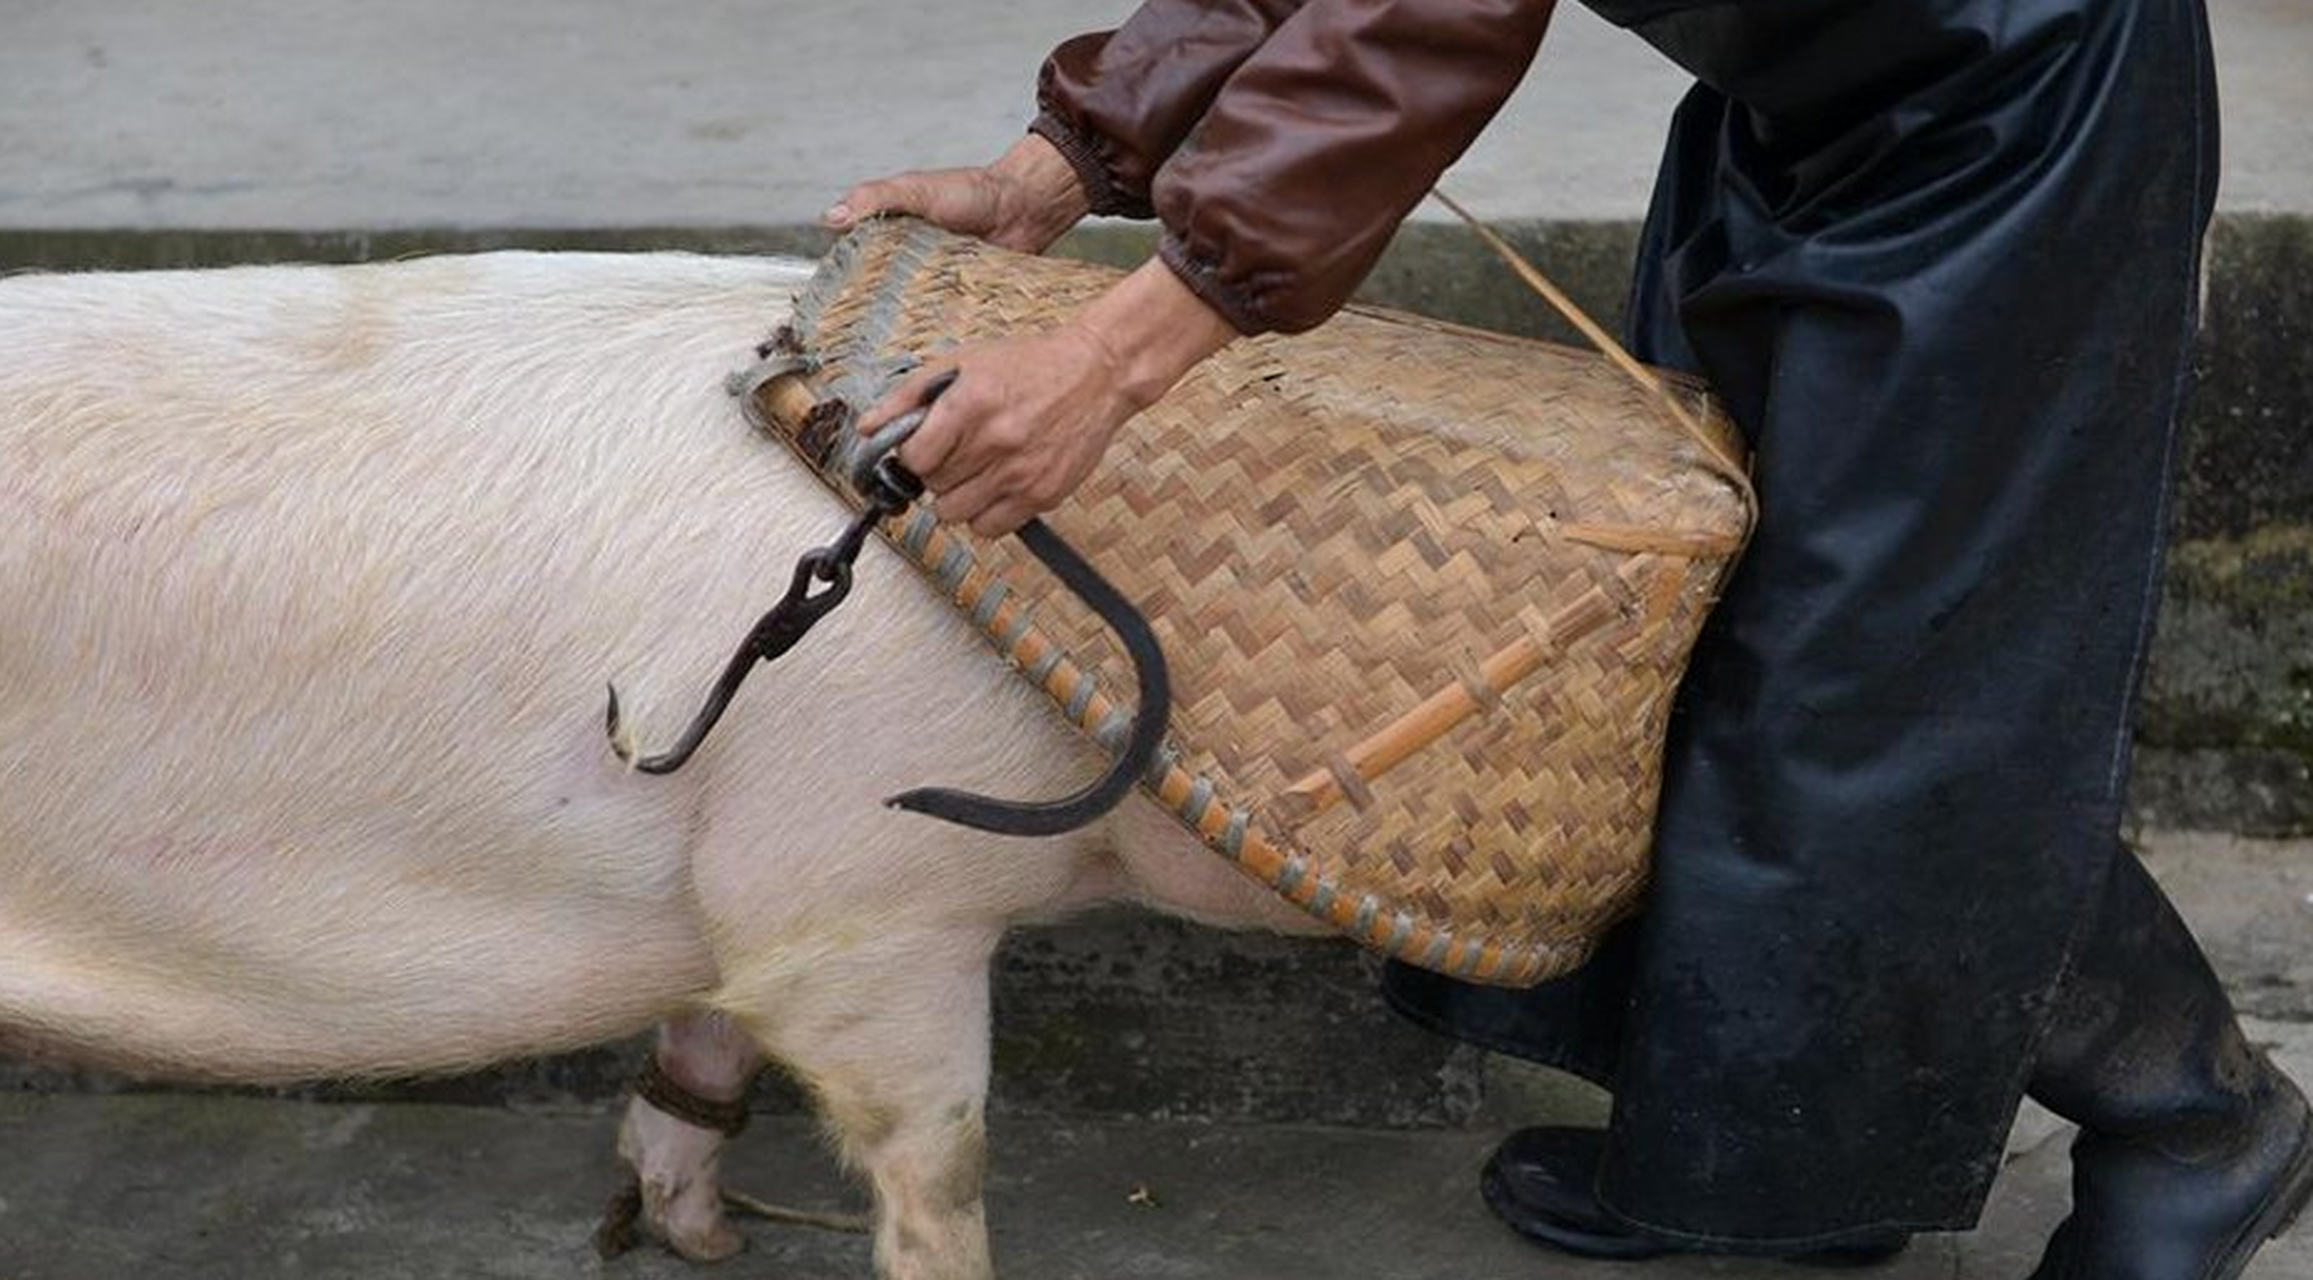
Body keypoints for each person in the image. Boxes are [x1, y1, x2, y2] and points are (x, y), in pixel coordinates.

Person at [829, 0, 2311, 1273]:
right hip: (1802, 97)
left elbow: (1423, 20)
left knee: (1880, 694)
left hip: (2017, 110)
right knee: (1689, 615)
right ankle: (1796, 1172)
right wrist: (1064, 161)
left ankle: (2200, 1118)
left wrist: (1107, 357)